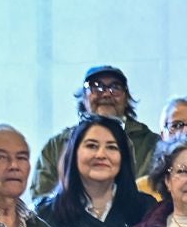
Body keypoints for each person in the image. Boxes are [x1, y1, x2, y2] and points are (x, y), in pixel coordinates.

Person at [33, 66, 160, 198]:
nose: (105, 94)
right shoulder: (56, 146)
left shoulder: (152, 145)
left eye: (115, 87)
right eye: (96, 86)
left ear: (126, 97)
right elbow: (41, 197)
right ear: (83, 96)